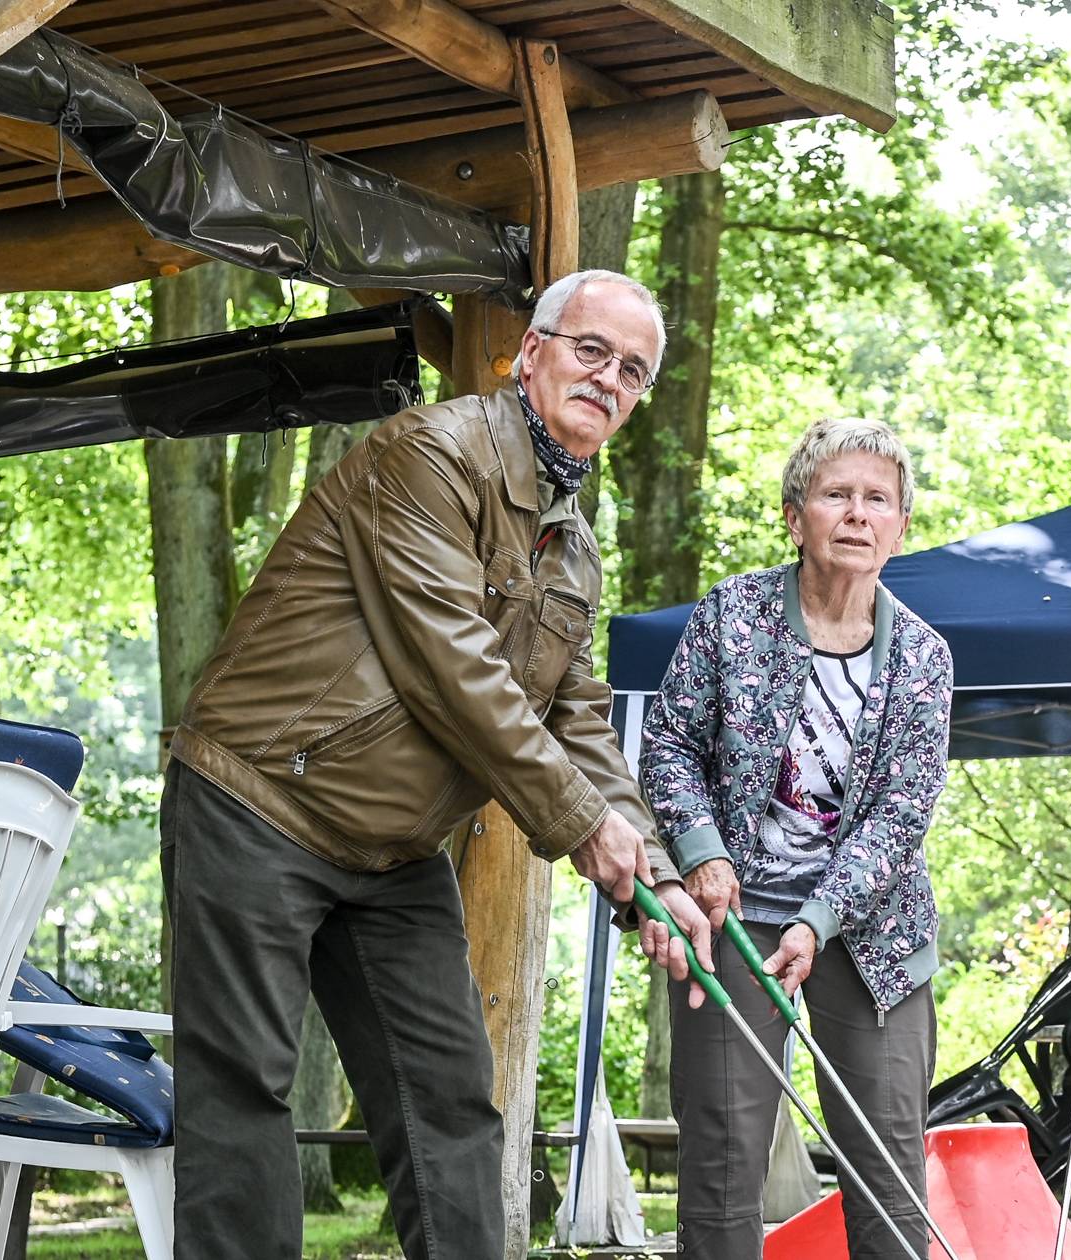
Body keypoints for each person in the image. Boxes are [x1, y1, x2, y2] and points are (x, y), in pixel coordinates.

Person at [162, 269, 710, 1259]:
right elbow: (450, 667)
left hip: (394, 848)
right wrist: (583, 829)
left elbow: (577, 716)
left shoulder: (572, 549)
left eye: (632, 371)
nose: (608, 379)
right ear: (532, 353)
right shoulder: (429, 451)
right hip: (259, 798)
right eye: (591, 350)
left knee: (451, 1101)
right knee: (244, 1088)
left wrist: (657, 883)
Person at [636, 418, 954, 1260]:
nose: (857, 515)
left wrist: (819, 918)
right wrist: (700, 849)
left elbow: (900, 814)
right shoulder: (731, 615)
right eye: (836, 495)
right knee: (723, 1159)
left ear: (900, 526)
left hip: (868, 928)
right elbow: (667, 743)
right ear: (794, 515)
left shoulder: (924, 657)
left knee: (887, 1167)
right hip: (729, 916)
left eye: (877, 500)